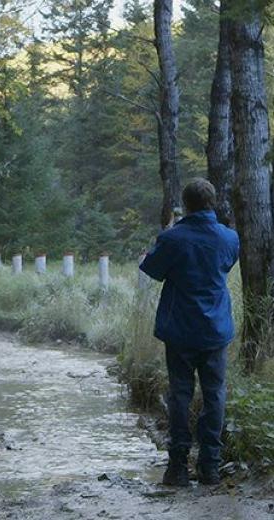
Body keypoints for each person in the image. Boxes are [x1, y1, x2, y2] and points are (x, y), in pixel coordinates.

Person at [139, 178, 240, 487]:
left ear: (187, 204)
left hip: (180, 329)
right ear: (211, 203)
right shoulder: (229, 238)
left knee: (180, 395)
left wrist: (167, 230)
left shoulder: (173, 238)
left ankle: (178, 467)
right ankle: (209, 466)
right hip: (215, 329)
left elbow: (153, 270)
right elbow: (225, 266)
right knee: (215, 394)